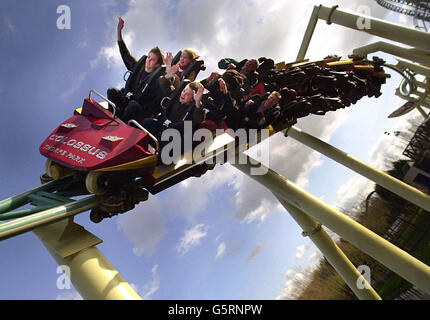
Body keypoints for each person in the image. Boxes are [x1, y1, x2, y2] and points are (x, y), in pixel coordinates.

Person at [106, 17, 167, 120]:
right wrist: (119, 31)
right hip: (126, 102)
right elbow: (124, 53)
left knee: (133, 105)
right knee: (112, 91)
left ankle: (121, 126)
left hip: (138, 111)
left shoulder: (156, 81)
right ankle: (110, 117)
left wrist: (169, 68)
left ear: (157, 65)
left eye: (152, 60)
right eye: (148, 57)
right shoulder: (137, 67)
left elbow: (166, 80)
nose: (148, 60)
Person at [142, 82, 205, 152]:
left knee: (169, 138)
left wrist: (198, 102)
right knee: (147, 122)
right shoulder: (175, 97)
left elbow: (199, 119)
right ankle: (143, 143)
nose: (183, 94)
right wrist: (166, 78)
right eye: (184, 91)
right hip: (165, 125)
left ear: (192, 99)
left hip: (177, 135)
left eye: (187, 94)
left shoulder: (195, 108)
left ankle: (156, 156)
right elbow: (164, 87)